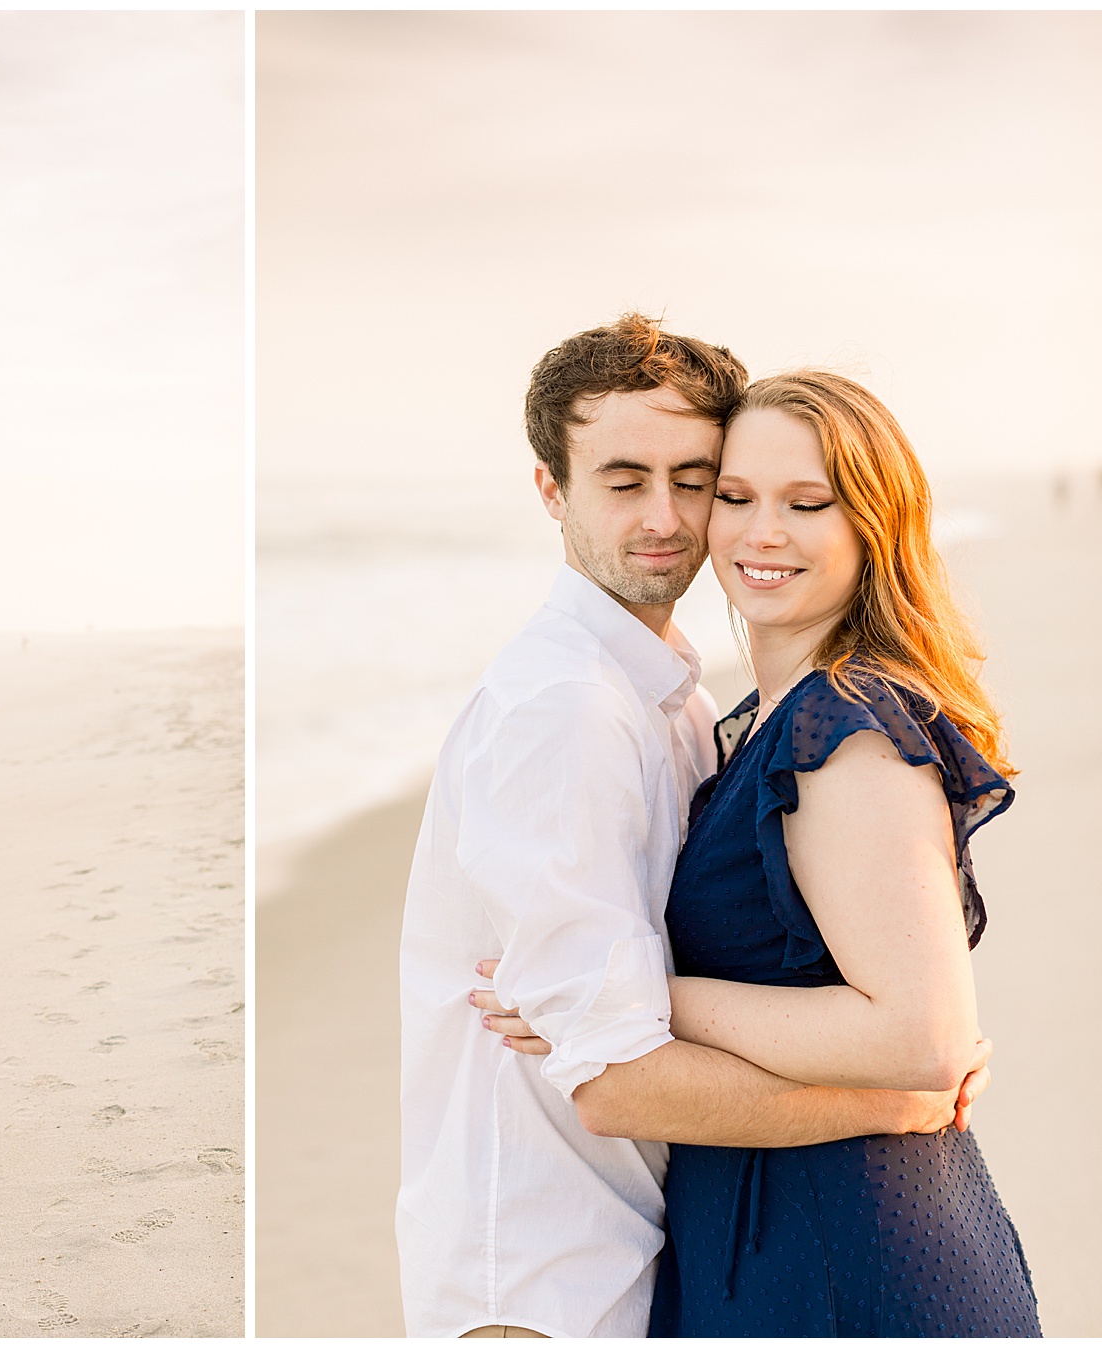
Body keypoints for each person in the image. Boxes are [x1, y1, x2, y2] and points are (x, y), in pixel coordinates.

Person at [396, 317, 993, 1338]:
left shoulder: (679, 699)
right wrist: (893, 1101)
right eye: (624, 482)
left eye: (696, 479)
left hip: (687, 1249)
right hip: (551, 1276)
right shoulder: (569, 708)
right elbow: (618, 1080)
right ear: (552, 490)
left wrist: (660, 999)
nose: (667, 518)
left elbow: (905, 1012)